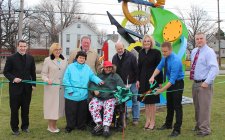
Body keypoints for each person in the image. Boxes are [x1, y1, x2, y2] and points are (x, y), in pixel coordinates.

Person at [63, 51, 104, 133]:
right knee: (71, 112)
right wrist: (70, 90)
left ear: (85, 59)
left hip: (83, 95)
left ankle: (81, 125)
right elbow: (66, 79)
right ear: (77, 58)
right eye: (80, 57)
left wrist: (99, 81)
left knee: (82, 112)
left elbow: (92, 76)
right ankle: (70, 126)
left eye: (83, 58)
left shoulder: (87, 68)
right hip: (71, 95)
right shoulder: (70, 67)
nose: (82, 59)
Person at [149, 41, 184, 137]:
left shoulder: (176, 61)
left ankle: (177, 129)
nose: (163, 53)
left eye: (165, 51)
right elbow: (159, 67)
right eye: (162, 51)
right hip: (171, 83)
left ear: (171, 50)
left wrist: (161, 90)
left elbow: (172, 80)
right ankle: (168, 124)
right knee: (169, 105)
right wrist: (152, 76)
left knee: (177, 106)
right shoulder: (164, 58)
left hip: (177, 84)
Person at [3, 40, 36, 135]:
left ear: (27, 47)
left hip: (27, 89)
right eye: (21, 46)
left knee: (26, 109)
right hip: (15, 89)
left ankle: (25, 127)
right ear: (17, 46)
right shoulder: (11, 58)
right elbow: (6, 72)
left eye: (24, 46)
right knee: (14, 110)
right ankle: (15, 129)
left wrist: (33, 84)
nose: (23, 48)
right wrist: (13, 78)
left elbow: (33, 72)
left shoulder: (30, 58)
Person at [190, 32, 219, 136]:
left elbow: (214, 68)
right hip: (196, 83)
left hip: (204, 84)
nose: (199, 40)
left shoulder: (209, 52)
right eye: (197, 39)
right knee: (197, 106)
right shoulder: (194, 51)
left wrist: (207, 82)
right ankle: (198, 125)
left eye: (201, 38)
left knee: (204, 107)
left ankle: (205, 130)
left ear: (205, 39)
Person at [89, 61, 125, 137]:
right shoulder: (99, 75)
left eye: (110, 67)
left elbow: (122, 87)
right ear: (103, 68)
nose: (108, 69)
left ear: (112, 68)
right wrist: (94, 90)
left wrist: (117, 92)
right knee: (92, 105)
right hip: (99, 97)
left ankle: (106, 126)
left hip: (110, 97)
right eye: (107, 67)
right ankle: (99, 124)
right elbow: (92, 83)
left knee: (108, 106)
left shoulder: (116, 76)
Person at [136, 35, 163, 130]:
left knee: (152, 102)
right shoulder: (141, 52)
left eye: (148, 41)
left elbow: (159, 67)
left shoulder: (156, 52)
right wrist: (138, 80)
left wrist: (160, 82)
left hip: (153, 80)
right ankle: (147, 120)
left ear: (151, 42)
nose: (146, 43)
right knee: (146, 102)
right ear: (143, 42)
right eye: (145, 41)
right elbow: (138, 67)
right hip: (143, 81)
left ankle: (153, 121)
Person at [41, 43, 67, 133]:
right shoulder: (47, 60)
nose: (58, 51)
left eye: (59, 49)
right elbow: (43, 74)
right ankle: (50, 126)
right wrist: (47, 79)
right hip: (51, 88)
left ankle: (54, 125)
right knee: (51, 107)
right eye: (56, 49)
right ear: (52, 50)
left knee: (58, 107)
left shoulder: (64, 60)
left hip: (61, 88)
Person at [112, 41, 140, 125]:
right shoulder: (114, 58)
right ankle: (125, 116)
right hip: (121, 84)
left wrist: (138, 80)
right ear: (116, 49)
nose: (120, 50)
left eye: (121, 48)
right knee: (123, 101)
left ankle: (135, 118)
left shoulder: (131, 56)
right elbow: (114, 71)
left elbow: (136, 69)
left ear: (124, 47)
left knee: (135, 100)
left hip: (132, 82)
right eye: (118, 49)